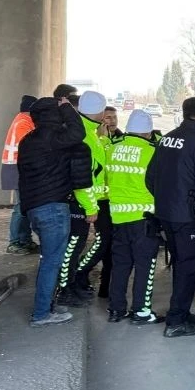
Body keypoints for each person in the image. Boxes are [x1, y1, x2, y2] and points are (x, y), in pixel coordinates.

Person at [146, 96, 195, 338]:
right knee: (189, 267)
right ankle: (177, 320)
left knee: (180, 264)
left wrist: (165, 200)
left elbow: (150, 177)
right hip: (189, 216)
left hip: (167, 214)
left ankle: (180, 312)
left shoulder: (167, 138)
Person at [17, 96, 87, 327]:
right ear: (54, 115)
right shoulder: (54, 138)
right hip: (53, 208)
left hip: (34, 208)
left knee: (48, 259)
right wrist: (67, 107)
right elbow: (79, 133)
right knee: (52, 261)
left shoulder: (28, 140)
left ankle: (45, 305)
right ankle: (41, 314)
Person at [105, 111, 163, 324]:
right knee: (145, 266)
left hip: (118, 217)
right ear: (148, 132)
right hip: (144, 218)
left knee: (120, 265)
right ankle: (141, 311)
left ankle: (115, 310)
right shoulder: (152, 152)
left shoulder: (112, 148)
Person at [58, 91, 106, 307]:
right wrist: (89, 207)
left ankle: (73, 283)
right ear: (99, 111)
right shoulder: (84, 135)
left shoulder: (90, 132)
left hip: (88, 201)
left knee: (76, 246)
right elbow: (82, 179)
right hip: (80, 202)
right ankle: (64, 290)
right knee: (72, 247)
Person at [74, 105, 122, 299]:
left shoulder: (120, 137)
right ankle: (79, 272)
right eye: (107, 117)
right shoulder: (95, 139)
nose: (111, 121)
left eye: (114, 117)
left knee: (111, 245)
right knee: (103, 242)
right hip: (100, 201)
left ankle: (105, 286)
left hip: (114, 200)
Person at [2, 95, 39, 254]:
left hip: (18, 168)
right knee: (20, 207)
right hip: (17, 168)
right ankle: (15, 242)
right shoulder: (23, 123)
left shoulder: (24, 120)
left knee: (25, 206)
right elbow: (31, 147)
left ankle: (24, 240)